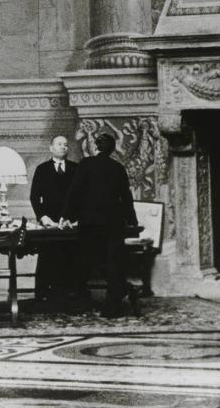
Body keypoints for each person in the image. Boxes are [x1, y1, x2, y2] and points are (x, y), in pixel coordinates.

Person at [61, 131, 138, 317]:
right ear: (112, 149)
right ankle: (113, 307)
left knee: (84, 262)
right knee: (112, 263)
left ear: (95, 147)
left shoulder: (85, 165)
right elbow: (126, 198)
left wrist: (66, 216)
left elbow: (74, 192)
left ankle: (80, 304)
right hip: (113, 223)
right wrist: (133, 222)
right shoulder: (118, 168)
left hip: (90, 222)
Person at [28, 135, 77, 303]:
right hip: (49, 223)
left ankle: (69, 295)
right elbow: (34, 197)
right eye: (59, 144)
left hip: (70, 223)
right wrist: (43, 217)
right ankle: (43, 294)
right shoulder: (42, 169)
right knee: (47, 257)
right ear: (51, 148)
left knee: (70, 257)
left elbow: (81, 196)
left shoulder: (75, 168)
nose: (63, 147)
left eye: (65, 144)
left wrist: (74, 219)